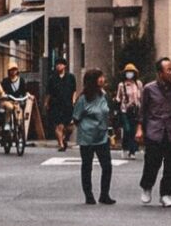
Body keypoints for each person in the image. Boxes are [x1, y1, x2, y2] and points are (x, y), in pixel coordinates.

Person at [137, 55, 171, 206]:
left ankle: (166, 194)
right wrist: (139, 128)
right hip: (154, 130)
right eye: (168, 70)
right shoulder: (149, 89)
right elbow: (143, 111)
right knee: (152, 162)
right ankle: (147, 187)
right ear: (160, 73)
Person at [73, 68, 115, 204]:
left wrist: (110, 130)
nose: (102, 80)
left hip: (102, 136)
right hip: (87, 137)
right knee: (87, 166)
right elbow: (76, 118)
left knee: (107, 166)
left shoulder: (104, 95)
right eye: (99, 77)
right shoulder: (83, 99)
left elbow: (107, 114)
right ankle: (88, 195)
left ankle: (104, 194)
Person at [45, 56, 77, 151]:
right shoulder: (52, 78)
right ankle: (61, 145)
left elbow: (74, 90)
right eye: (57, 65)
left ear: (65, 66)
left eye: (60, 64)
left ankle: (64, 138)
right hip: (55, 104)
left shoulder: (71, 77)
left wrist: (73, 100)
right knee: (59, 126)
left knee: (69, 127)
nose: (58, 66)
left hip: (67, 104)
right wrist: (46, 103)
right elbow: (48, 92)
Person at [116, 64, 144, 155]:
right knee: (127, 129)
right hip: (125, 110)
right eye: (128, 72)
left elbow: (141, 96)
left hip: (136, 110)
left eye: (131, 72)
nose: (130, 74)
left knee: (134, 130)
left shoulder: (138, 84)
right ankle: (125, 147)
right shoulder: (121, 85)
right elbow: (118, 98)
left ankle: (132, 151)